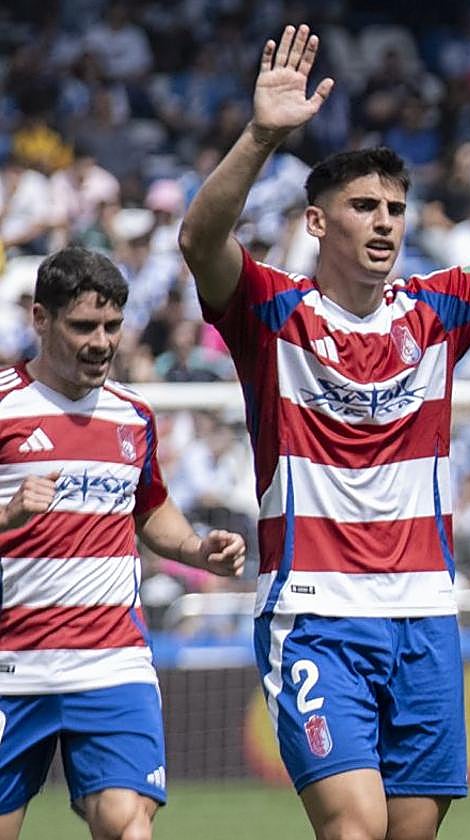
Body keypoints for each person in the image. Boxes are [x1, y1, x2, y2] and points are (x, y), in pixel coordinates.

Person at [177, 25, 470, 840]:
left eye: (396, 210)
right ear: (317, 223)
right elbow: (198, 241)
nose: (385, 223)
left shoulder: (438, 311)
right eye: (364, 207)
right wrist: (261, 135)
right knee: (355, 827)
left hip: (425, 616)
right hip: (316, 615)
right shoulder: (272, 311)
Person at [0, 247, 245, 840]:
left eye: (112, 326)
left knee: (127, 824)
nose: (101, 342)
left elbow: (149, 506)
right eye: (84, 326)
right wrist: (8, 515)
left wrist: (196, 549)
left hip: (112, 660)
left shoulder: (133, 415)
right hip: (12, 666)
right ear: (41, 319)